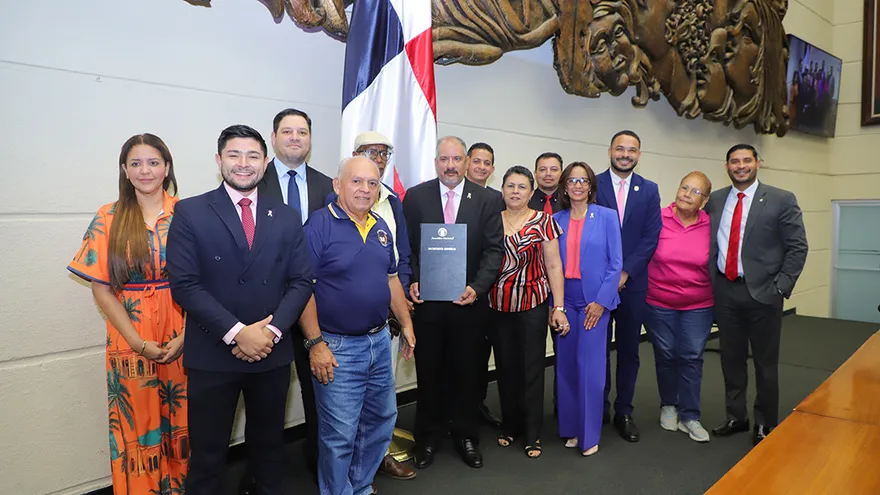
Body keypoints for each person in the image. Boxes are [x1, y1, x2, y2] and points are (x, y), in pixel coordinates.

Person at [166, 125, 314, 495]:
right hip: (214, 353)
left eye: (252, 156)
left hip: (271, 352)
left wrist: (272, 332)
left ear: (265, 163)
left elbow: (301, 281)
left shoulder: (285, 215)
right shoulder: (190, 212)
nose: (243, 164)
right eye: (234, 155)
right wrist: (238, 333)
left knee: (268, 452)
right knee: (208, 457)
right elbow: (185, 285)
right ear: (219, 161)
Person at [68, 134, 187, 494]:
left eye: (153, 162)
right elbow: (101, 287)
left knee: (183, 421)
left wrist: (187, 337)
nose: (145, 170)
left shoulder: (188, 214)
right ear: (124, 170)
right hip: (129, 335)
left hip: (184, 331)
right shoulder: (109, 216)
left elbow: (207, 282)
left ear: (167, 167)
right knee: (136, 429)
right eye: (135, 163)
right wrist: (137, 342)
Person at [302, 156, 417, 495]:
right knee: (339, 436)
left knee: (380, 422)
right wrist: (315, 344)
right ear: (338, 185)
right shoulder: (318, 226)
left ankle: (361, 486)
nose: (365, 189)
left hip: (379, 342)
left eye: (372, 183)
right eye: (356, 181)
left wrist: (407, 325)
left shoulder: (382, 225)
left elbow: (392, 279)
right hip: (337, 349)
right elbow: (302, 289)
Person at [403, 136, 504, 469]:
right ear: (435, 162)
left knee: (467, 373)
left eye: (456, 159)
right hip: (428, 306)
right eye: (444, 159)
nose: (450, 165)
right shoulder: (416, 197)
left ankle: (466, 436)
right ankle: (428, 436)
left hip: (469, 305)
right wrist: (413, 280)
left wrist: (477, 287)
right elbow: (409, 250)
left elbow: (493, 250)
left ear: (466, 162)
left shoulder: (488, 200)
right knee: (429, 373)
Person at [706, 144, 807, 446]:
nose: (741, 166)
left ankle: (765, 422)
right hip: (725, 292)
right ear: (727, 166)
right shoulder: (715, 200)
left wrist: (780, 287)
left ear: (757, 163)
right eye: (734, 161)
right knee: (731, 359)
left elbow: (797, 247)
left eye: (746, 160)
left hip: (764, 294)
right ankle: (737, 416)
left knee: (765, 363)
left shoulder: (781, 199)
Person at [257, 108, 334, 484]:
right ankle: (262, 474)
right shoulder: (253, 180)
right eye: (286, 131)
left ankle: (318, 460)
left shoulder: (326, 186)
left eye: (301, 132)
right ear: (273, 138)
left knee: (317, 387)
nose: (294, 138)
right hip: (264, 308)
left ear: (310, 139)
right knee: (265, 398)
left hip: (314, 307)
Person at [345, 131, 417, 481]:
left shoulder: (392, 202)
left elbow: (400, 257)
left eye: (385, 153)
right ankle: (354, 471)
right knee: (351, 403)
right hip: (348, 324)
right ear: (355, 154)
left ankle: (378, 458)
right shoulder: (337, 202)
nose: (379, 158)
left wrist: (400, 300)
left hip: (388, 315)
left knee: (382, 398)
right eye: (371, 152)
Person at [489, 165, 568, 459]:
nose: (515, 192)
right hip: (497, 306)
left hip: (532, 305)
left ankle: (533, 433)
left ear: (531, 192)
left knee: (532, 369)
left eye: (522, 187)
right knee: (506, 368)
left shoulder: (543, 221)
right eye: (510, 186)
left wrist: (557, 307)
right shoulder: (492, 221)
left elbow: (554, 266)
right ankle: (510, 426)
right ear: (502, 190)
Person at [595, 130, 661, 442]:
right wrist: (609, 275)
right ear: (609, 150)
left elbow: (650, 238)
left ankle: (624, 410)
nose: (625, 154)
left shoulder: (649, 190)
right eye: (620, 148)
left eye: (631, 150)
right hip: (597, 283)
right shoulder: (593, 184)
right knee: (598, 350)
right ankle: (598, 408)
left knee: (629, 350)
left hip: (633, 285)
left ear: (639, 154)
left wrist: (625, 273)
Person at [554, 161, 622, 456]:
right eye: (572, 180)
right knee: (566, 368)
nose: (578, 185)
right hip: (565, 300)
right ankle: (570, 429)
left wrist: (601, 302)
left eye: (583, 181)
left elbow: (616, 263)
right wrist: (555, 305)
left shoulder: (607, 217)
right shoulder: (556, 219)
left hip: (595, 301)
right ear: (565, 187)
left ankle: (589, 435)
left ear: (591, 187)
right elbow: (551, 265)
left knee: (590, 369)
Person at [645, 172, 714, 443]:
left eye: (695, 191)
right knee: (666, 354)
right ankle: (669, 405)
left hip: (699, 304)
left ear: (705, 200)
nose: (687, 193)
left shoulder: (710, 225)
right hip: (659, 301)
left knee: (692, 356)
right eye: (684, 187)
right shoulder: (658, 218)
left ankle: (690, 415)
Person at [463, 141, 504, 429]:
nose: (480, 167)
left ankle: (475, 406)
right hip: (451, 293)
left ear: (492, 168)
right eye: (476, 161)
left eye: (486, 162)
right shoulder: (447, 194)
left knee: (480, 356)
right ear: (466, 163)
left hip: (487, 293)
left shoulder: (497, 199)